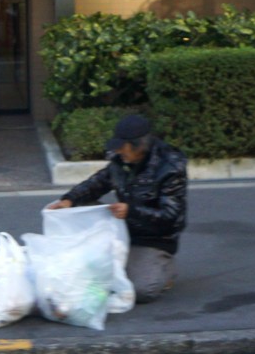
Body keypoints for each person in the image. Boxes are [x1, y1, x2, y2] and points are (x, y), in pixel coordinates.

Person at [49, 114, 188, 303]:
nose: (118, 151)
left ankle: (165, 267)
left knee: (140, 290)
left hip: (154, 238)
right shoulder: (121, 160)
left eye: (123, 147)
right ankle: (122, 260)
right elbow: (97, 183)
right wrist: (69, 200)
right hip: (123, 227)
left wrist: (131, 211)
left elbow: (171, 217)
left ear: (139, 145)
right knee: (83, 208)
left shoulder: (169, 167)